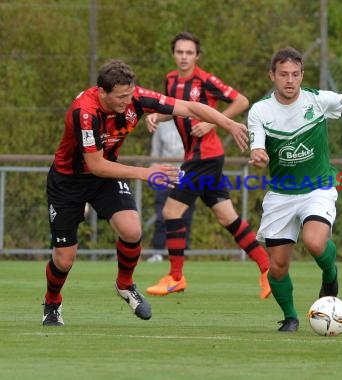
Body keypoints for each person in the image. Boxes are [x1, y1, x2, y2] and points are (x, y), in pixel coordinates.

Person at [43, 59, 249, 326]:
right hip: (69, 181)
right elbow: (95, 164)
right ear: (102, 92)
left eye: (130, 94)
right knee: (64, 258)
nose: (127, 101)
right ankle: (52, 302)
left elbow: (187, 107)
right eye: (120, 97)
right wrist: (146, 173)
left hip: (105, 176)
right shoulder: (85, 112)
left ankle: (125, 285)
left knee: (132, 230)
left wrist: (227, 124)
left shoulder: (136, 97)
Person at [248, 46, 342, 332]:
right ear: (272, 76)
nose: (290, 80)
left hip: (318, 188)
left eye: (295, 74)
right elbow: (257, 145)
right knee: (278, 266)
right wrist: (258, 154)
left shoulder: (317, 100)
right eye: (283, 74)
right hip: (282, 194)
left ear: (302, 75)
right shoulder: (260, 111)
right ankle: (291, 317)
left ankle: (330, 274)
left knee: (316, 242)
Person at [145, 32, 271, 299]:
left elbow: (242, 100)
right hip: (200, 158)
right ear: (173, 54)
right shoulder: (170, 80)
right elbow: (175, 109)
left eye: (189, 53)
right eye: (179, 52)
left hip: (205, 157)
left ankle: (176, 277)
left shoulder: (205, 80)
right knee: (227, 217)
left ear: (197, 56)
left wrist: (214, 121)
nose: (184, 57)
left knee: (170, 211)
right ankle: (267, 267)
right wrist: (157, 115)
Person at [148, 120, 195, 262]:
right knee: (162, 214)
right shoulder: (162, 125)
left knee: (185, 215)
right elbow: (156, 152)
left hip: (186, 173)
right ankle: (158, 251)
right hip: (166, 173)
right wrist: (153, 173)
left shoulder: (192, 123)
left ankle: (183, 250)